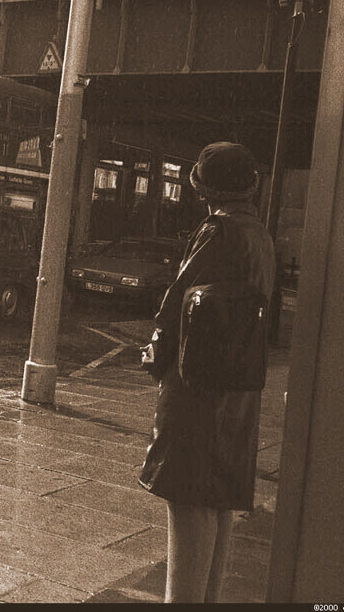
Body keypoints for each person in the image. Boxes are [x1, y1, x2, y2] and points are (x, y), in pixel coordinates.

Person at [138, 141, 275, 603]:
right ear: (252, 186)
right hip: (237, 389)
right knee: (217, 503)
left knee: (188, 499)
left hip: (197, 385)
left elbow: (178, 302)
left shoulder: (217, 230)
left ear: (202, 189)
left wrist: (155, 359)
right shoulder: (260, 235)